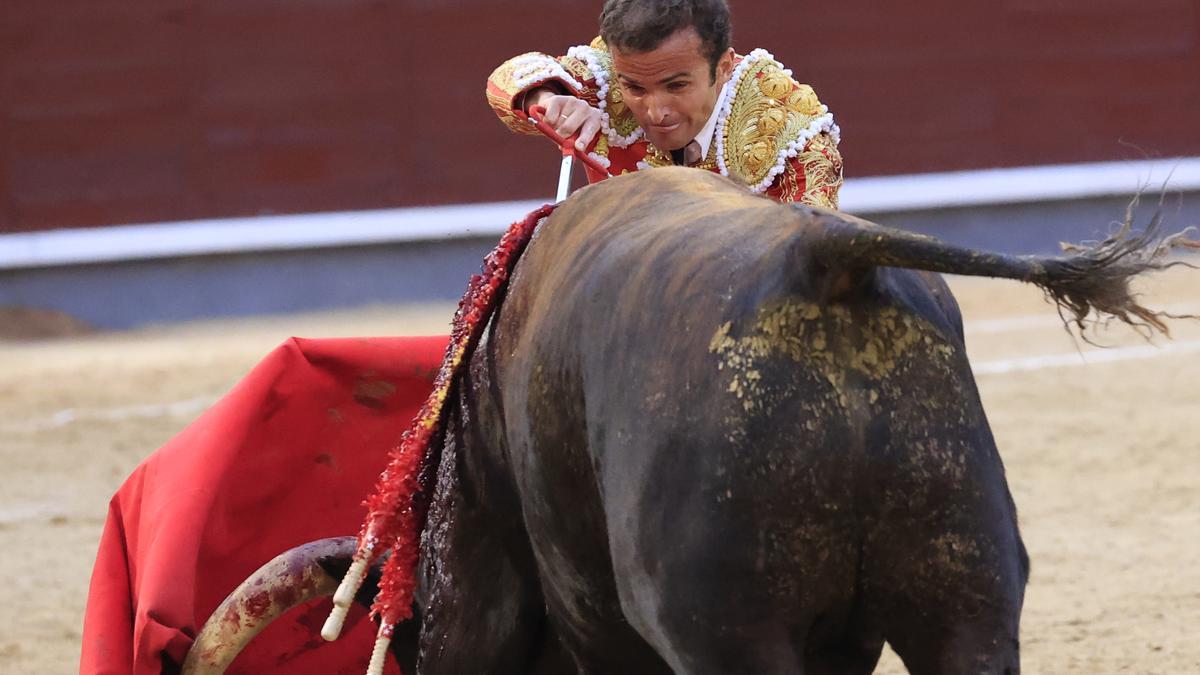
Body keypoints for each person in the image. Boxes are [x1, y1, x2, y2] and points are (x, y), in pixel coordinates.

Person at [486, 0, 844, 207]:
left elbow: (812, 265)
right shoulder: (605, 78)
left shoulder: (792, 132)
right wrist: (548, 99)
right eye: (636, 89)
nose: (656, 112)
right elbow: (508, 81)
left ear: (722, 68)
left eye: (677, 86)